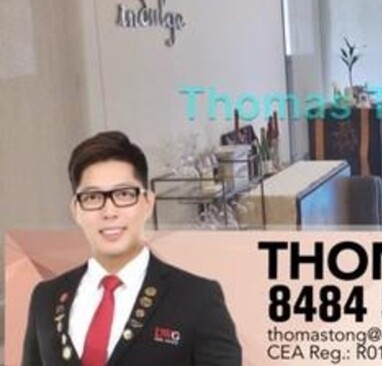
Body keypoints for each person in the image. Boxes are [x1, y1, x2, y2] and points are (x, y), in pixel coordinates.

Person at [21, 131, 242, 366]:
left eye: (124, 194)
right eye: (93, 197)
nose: (109, 212)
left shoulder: (197, 298)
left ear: (147, 203)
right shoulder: (45, 297)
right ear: (76, 209)